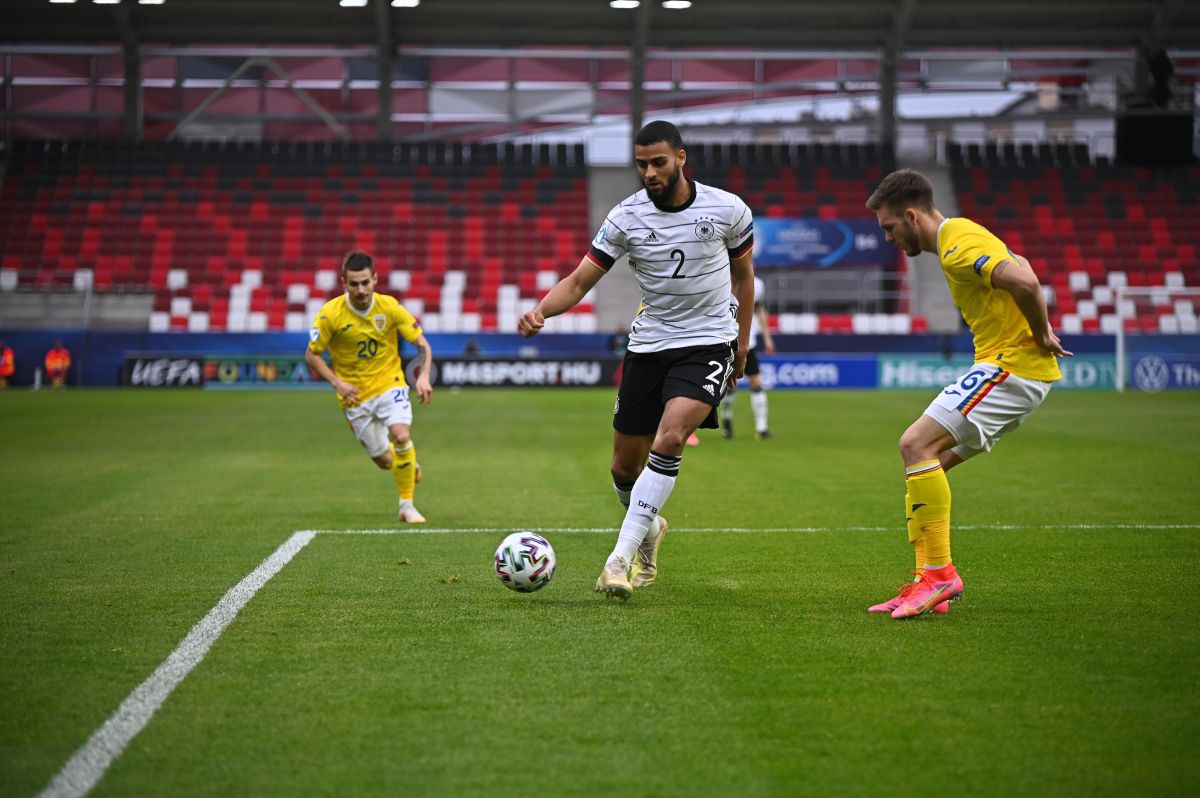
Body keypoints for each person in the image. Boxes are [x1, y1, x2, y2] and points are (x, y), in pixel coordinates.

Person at [518, 120, 756, 600]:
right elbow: (580, 281)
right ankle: (649, 526)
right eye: (642, 163)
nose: (649, 171)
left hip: (708, 341)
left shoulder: (728, 209)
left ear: (681, 159)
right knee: (624, 468)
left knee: (670, 439)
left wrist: (741, 345)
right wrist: (541, 309)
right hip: (649, 345)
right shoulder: (625, 218)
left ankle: (619, 560)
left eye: (658, 162)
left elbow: (744, 278)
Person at [864, 168, 1072, 619]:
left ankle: (940, 575)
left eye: (889, 227)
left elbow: (1027, 282)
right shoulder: (964, 236)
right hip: (1012, 369)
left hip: (1010, 367)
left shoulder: (957, 243)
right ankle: (927, 580)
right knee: (925, 463)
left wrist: (1041, 333)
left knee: (914, 443)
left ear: (912, 215)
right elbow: (1025, 266)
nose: (888, 238)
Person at [305, 250, 434, 524]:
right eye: (354, 284)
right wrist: (337, 383)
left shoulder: (389, 307)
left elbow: (422, 344)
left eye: (366, 282)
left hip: (390, 383)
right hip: (354, 396)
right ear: (344, 283)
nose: (361, 289)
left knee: (401, 436)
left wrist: (422, 376)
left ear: (375, 279)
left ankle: (406, 506)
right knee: (385, 461)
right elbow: (312, 354)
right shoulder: (330, 315)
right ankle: (408, 465)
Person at [719, 274, 776, 439]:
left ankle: (762, 428)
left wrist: (767, 337)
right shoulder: (721, 278)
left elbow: (759, 309)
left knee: (756, 381)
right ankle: (727, 418)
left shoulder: (758, 283)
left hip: (749, 342)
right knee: (731, 384)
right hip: (728, 339)